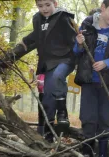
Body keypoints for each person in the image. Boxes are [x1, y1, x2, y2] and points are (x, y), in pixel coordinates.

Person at [18, 0, 77, 142]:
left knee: (58, 76)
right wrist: (24, 41)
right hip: (48, 62)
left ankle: (63, 114)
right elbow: (37, 35)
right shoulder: (37, 19)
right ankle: (49, 134)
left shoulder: (63, 16)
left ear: (55, 3)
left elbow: (73, 39)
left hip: (65, 58)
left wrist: (79, 56)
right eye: (40, 6)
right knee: (48, 97)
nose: (44, 9)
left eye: (47, 5)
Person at [74, 0, 109, 156]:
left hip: (107, 83)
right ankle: (87, 152)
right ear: (103, 8)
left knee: (105, 118)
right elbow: (76, 52)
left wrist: (106, 63)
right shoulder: (87, 28)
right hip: (89, 80)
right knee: (88, 117)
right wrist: (79, 44)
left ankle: (103, 153)